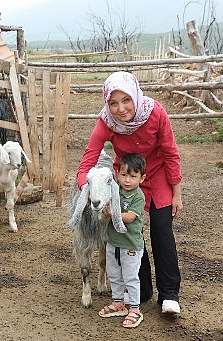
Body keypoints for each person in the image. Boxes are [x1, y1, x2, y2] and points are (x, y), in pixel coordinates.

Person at [76, 71, 183, 315]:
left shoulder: (155, 113)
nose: (121, 109)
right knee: (130, 231)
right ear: (106, 103)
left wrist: (176, 192)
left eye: (126, 100)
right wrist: (88, 190)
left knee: (161, 229)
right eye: (113, 103)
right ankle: (142, 289)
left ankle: (169, 295)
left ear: (135, 95)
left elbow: (171, 153)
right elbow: (87, 163)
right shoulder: (107, 122)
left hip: (158, 177)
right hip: (127, 180)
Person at [98, 153, 147, 328]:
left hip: (130, 246)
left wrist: (112, 213)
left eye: (133, 176)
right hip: (113, 243)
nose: (127, 180)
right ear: (117, 174)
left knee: (130, 277)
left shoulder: (138, 196)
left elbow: (129, 217)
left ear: (142, 178)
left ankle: (135, 309)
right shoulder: (115, 191)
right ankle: (118, 303)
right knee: (114, 274)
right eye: (124, 175)